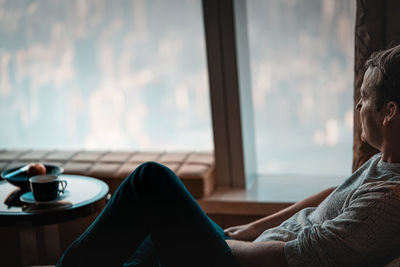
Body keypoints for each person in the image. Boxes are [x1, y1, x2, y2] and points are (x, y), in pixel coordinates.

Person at [57, 44, 400, 267]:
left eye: (365, 97)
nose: (358, 106)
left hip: (246, 266)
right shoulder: (384, 162)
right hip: (250, 252)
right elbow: (333, 194)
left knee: (151, 181)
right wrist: (252, 228)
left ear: (389, 111)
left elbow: (295, 256)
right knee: (143, 251)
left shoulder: (390, 200)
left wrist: (220, 242)